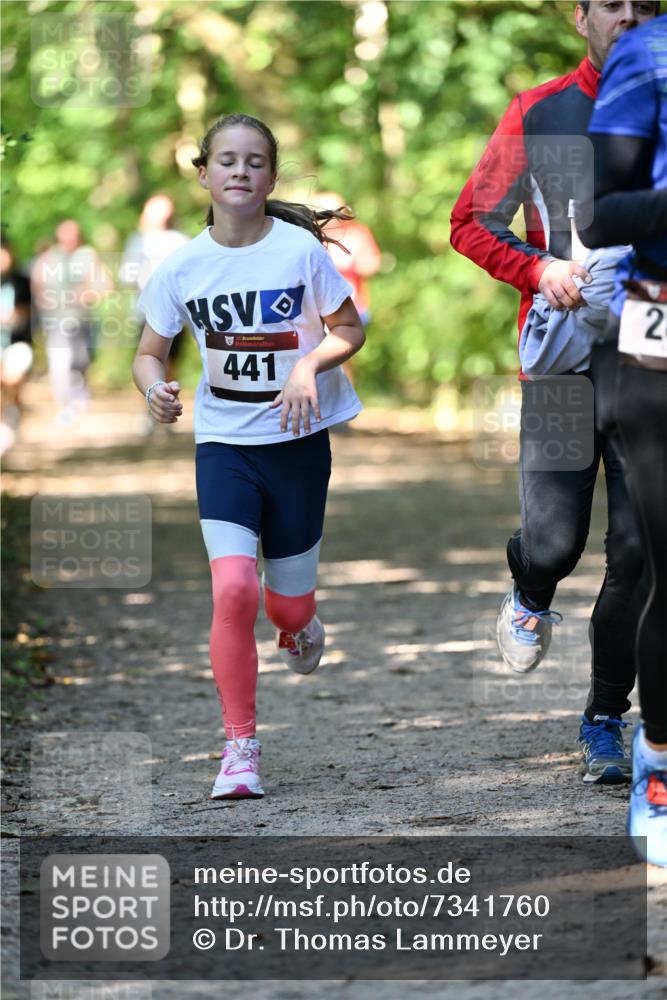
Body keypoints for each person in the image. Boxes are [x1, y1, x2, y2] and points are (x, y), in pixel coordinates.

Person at [450, 0, 658, 785]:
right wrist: (537, 270)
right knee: (553, 542)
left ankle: (604, 719)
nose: (630, 18)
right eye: (612, 5)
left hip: (647, 363)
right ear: (580, 18)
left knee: (638, 552)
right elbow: (469, 220)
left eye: (648, 6)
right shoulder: (539, 111)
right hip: (562, 363)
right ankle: (529, 590)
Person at [132, 113, 365, 800]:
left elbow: (347, 328)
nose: (240, 171)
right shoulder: (181, 267)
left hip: (296, 445)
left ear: (270, 177)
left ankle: (299, 623)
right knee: (232, 589)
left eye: (255, 161)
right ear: (203, 174)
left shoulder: (297, 252)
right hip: (224, 445)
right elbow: (149, 353)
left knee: (287, 609)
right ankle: (239, 748)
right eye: (226, 160)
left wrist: (306, 369)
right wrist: (157, 391)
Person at [581, 14, 667, 865]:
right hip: (658, 334)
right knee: (654, 561)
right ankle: (658, 763)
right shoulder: (647, 54)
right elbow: (599, 214)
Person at [31, 220, 111, 425]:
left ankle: (78, 396)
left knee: (81, 361)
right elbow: (37, 282)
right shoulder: (49, 257)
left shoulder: (87, 255)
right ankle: (65, 405)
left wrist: (87, 294)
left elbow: (105, 285)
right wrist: (42, 301)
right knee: (59, 363)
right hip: (56, 320)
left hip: (82, 320)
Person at [119, 194, 189, 386]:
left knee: (168, 362)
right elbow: (127, 275)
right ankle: (152, 406)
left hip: (175, 314)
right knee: (148, 359)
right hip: (146, 313)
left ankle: (167, 404)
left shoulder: (179, 240)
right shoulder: (138, 241)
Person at [315, 191, 381, 327]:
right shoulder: (308, 235)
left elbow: (373, 263)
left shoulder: (356, 232)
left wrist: (353, 263)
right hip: (317, 309)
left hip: (353, 305)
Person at [0, 237, 33, 448]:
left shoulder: (22, 281)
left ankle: (14, 411)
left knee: (12, 378)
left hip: (16, 344)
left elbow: (25, 313)